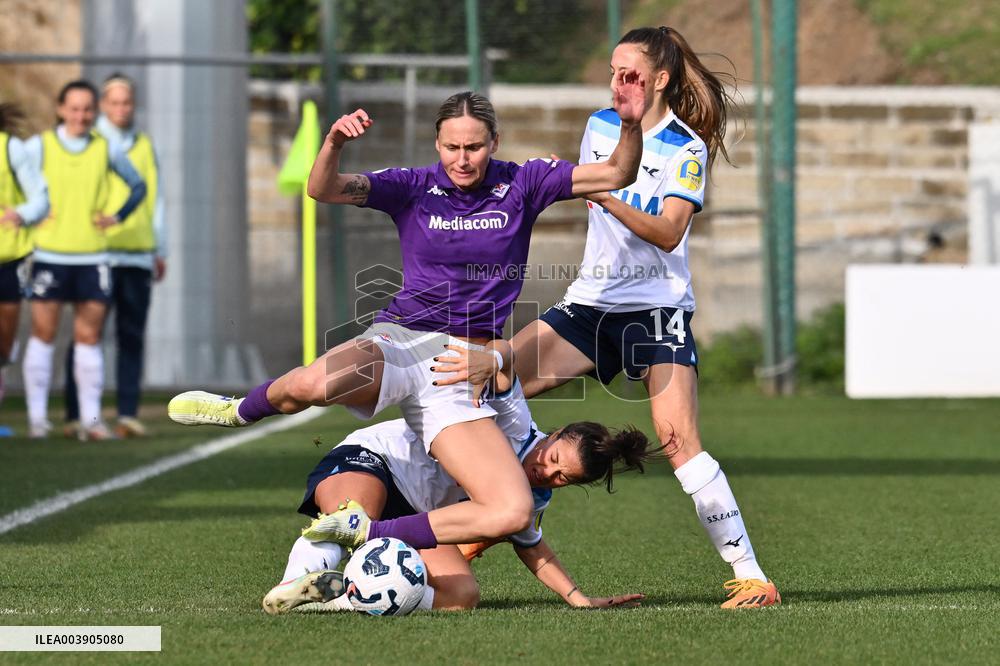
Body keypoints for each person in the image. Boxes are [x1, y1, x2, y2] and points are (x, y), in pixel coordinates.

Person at [169, 76, 651, 558]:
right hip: (402, 339)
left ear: (495, 143)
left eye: (474, 147)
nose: (463, 159)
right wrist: (334, 141)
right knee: (312, 385)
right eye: (452, 147)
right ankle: (238, 410)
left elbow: (617, 173)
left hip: (459, 371)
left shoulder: (525, 182)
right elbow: (323, 189)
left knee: (512, 510)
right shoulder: (413, 185)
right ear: (437, 143)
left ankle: (366, 533)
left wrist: (630, 123)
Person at [439, 27, 780, 609]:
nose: (619, 84)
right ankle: (456, 534)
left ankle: (752, 577)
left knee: (679, 443)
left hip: (656, 312)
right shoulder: (600, 126)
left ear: (660, 80)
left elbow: (668, 232)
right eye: (614, 73)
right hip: (590, 305)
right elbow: (574, 184)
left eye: (631, 75)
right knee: (481, 382)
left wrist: (607, 197)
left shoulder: (685, 148)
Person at [261, 353, 653, 614]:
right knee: (352, 517)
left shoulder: (532, 497)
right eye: (552, 459)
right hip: (377, 461)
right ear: (555, 434)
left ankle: (331, 600)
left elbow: (533, 547)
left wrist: (579, 598)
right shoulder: (516, 422)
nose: (546, 473)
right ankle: (292, 583)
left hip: (417, 518)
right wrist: (493, 358)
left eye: (562, 477)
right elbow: (505, 365)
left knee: (462, 596)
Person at [21, 80, 146, 440]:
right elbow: (14, 179)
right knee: (43, 335)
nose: (81, 116)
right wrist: (31, 212)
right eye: (74, 109)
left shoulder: (105, 148)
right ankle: (37, 420)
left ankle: (91, 421)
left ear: (95, 111)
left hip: (93, 257)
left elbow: (137, 186)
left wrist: (117, 216)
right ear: (61, 109)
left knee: (88, 338)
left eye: (87, 109)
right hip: (49, 255)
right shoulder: (39, 146)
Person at [63, 73, 166, 439]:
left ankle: (127, 414)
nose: (122, 108)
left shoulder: (144, 144)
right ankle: (75, 414)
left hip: (136, 254)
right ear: (103, 105)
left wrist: (159, 248)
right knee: (85, 335)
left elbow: (155, 197)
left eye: (127, 102)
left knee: (131, 336)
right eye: (115, 102)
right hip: (98, 253)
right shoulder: (90, 144)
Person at [0, 103, 50, 437]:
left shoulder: (11, 148)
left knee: (3, 345)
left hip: (8, 256)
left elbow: (40, 200)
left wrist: (21, 213)